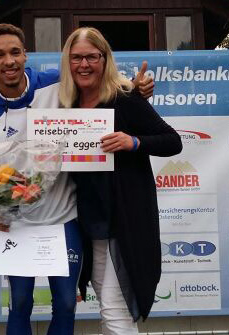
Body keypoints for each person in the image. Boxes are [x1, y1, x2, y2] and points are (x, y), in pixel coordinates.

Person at [0, 23, 154, 335]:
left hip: (63, 218)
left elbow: (99, 84)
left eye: (15, 52)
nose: (9, 61)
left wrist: (132, 90)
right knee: (20, 303)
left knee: (67, 303)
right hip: (16, 225)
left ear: (25, 55)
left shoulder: (55, 83)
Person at [59, 27, 182, 335]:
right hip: (90, 225)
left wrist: (134, 142)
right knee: (110, 307)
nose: (84, 64)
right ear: (67, 61)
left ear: (105, 59)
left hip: (123, 222)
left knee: (114, 310)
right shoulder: (66, 105)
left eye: (92, 56)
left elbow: (172, 141)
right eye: (76, 57)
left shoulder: (124, 98)